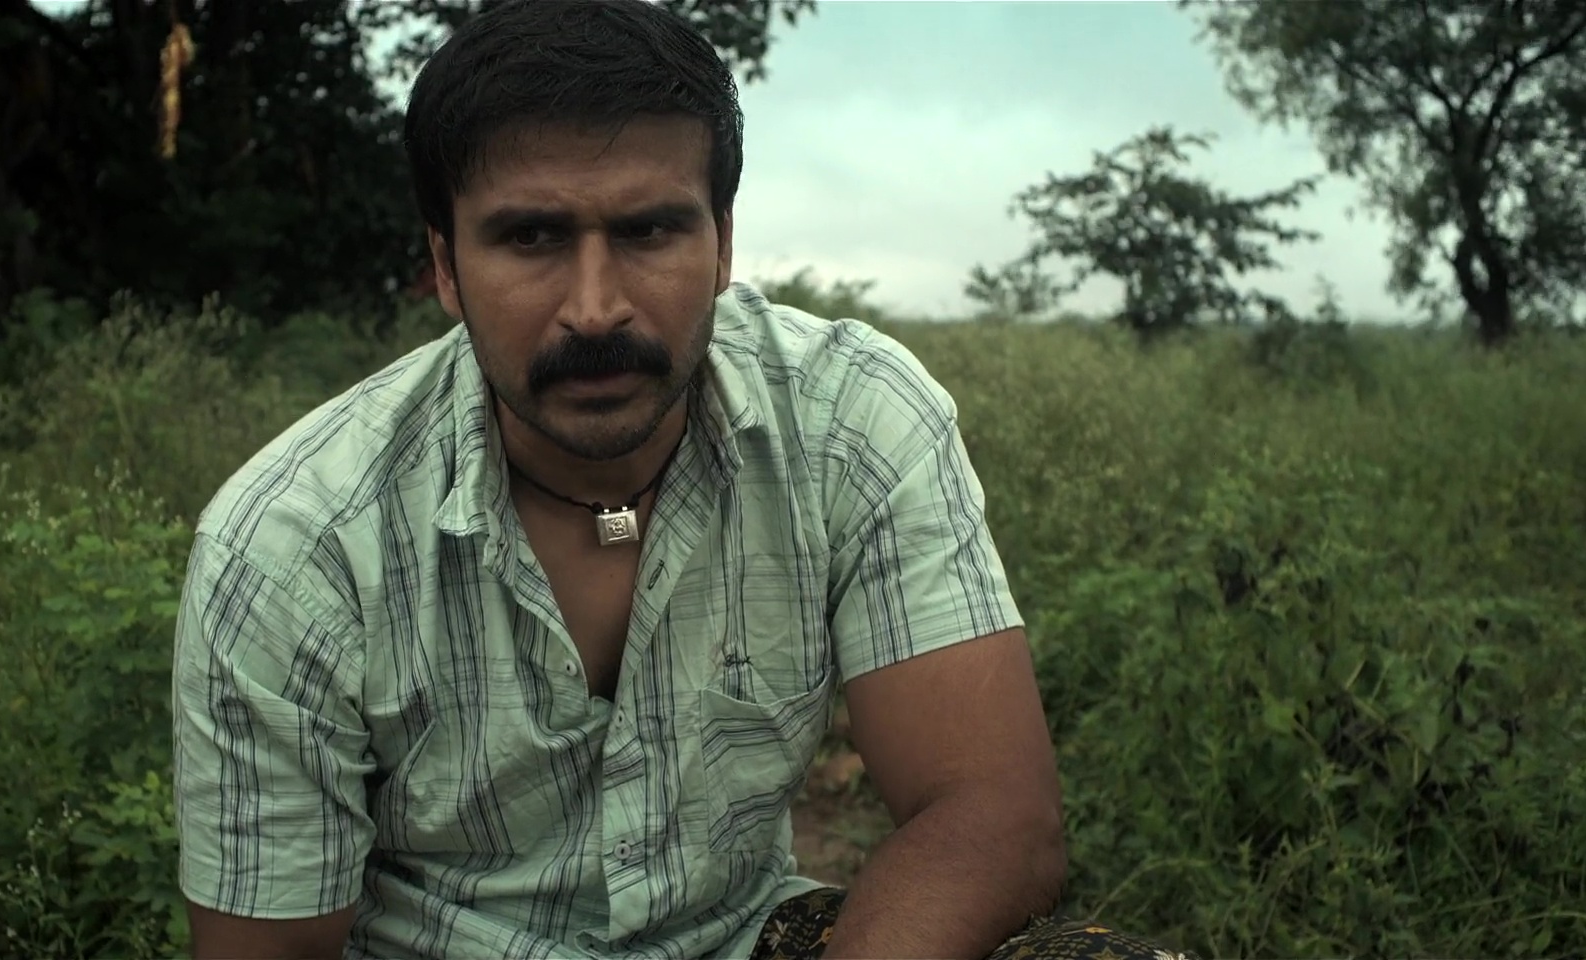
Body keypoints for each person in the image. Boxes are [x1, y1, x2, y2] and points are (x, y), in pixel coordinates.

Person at [170, 1, 1195, 958]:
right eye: (530, 237)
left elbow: (993, 815)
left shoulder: (850, 421)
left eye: (649, 230)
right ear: (445, 265)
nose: (595, 308)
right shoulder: (291, 542)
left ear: (723, 243)